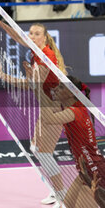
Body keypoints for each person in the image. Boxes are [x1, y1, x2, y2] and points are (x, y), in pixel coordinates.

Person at [0, 6, 68, 208]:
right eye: (30, 32)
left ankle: (61, 194)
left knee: (44, 153)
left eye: (36, 33)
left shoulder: (45, 55)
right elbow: (19, 38)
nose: (32, 36)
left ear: (44, 38)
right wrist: (0, 23)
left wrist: (5, 75)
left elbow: (32, 84)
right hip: (45, 108)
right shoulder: (35, 53)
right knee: (35, 148)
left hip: (55, 110)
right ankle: (56, 190)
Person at [42, 75, 105, 208]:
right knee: (66, 205)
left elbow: (48, 119)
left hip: (95, 172)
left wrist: (40, 91)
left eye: (61, 87)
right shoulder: (73, 108)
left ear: (71, 93)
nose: (56, 89)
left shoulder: (74, 112)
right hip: (86, 170)